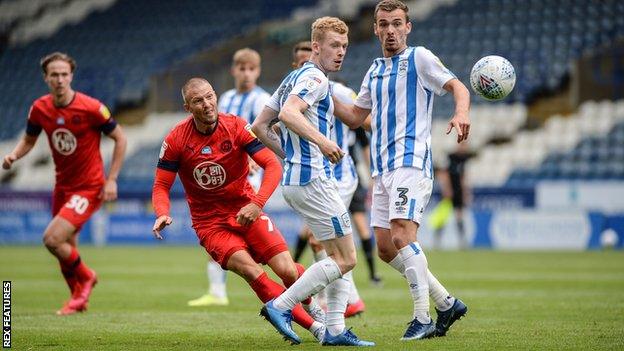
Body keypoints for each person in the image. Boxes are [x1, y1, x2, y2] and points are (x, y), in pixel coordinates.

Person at [331, 0, 470, 340]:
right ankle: (446, 303)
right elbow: (354, 117)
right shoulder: (374, 70)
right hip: (381, 168)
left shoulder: (419, 58)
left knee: (402, 236)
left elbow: (458, 86)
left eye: (396, 23)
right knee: (384, 247)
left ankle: (422, 317)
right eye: (383, 24)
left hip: (410, 161)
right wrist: (323, 90)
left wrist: (461, 111)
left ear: (408, 27)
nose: (390, 30)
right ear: (376, 28)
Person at [152, 77, 325, 343]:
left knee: (288, 271)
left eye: (210, 96)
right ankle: (317, 329)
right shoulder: (176, 139)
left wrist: (257, 204)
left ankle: (312, 305)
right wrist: (162, 211)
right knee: (251, 271)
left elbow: (273, 165)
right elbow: (161, 185)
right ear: (188, 107)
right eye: (198, 101)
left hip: (247, 210)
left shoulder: (236, 126)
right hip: (210, 224)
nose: (207, 104)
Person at [252, 17, 374, 346]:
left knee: (336, 257)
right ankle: (282, 305)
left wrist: (290, 156)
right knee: (346, 258)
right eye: (334, 46)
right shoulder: (316, 78)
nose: (341, 53)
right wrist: (322, 142)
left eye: (344, 47)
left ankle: (334, 330)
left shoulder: (294, 77)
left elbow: (260, 126)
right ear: (316, 47)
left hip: (297, 180)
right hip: (314, 180)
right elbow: (289, 114)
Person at [2, 52, 127, 315]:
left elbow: (120, 138)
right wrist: (14, 155)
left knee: (52, 239)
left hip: (90, 186)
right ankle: (77, 299)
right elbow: (29, 140)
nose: (59, 79)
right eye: (54, 75)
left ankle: (88, 277)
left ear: (71, 76)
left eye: (64, 74)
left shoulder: (91, 107)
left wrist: (112, 178)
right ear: (46, 78)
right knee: (66, 247)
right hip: (62, 186)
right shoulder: (40, 108)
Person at [288, 41, 366, 318]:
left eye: (305, 60)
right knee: (323, 243)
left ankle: (325, 303)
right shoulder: (298, 89)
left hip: (340, 175)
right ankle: (346, 302)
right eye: (298, 63)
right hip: (318, 176)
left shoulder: (339, 90)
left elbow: (365, 123)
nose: (303, 65)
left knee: (323, 242)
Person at [187, 48, 271, 308]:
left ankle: (291, 288)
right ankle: (217, 291)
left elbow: (264, 133)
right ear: (233, 70)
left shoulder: (262, 99)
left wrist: (250, 156)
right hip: (226, 177)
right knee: (219, 234)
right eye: (241, 68)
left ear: (257, 71)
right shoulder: (225, 98)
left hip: (250, 180)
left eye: (251, 69)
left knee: (256, 244)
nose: (246, 74)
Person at [430, 142, 472, 250]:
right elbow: (443, 173)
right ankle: (437, 241)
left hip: (457, 191)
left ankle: (462, 242)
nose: (464, 148)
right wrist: (447, 189)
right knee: (443, 217)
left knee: (459, 216)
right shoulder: (450, 157)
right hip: (449, 192)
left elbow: (463, 177)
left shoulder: (464, 159)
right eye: (463, 145)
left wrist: (464, 191)